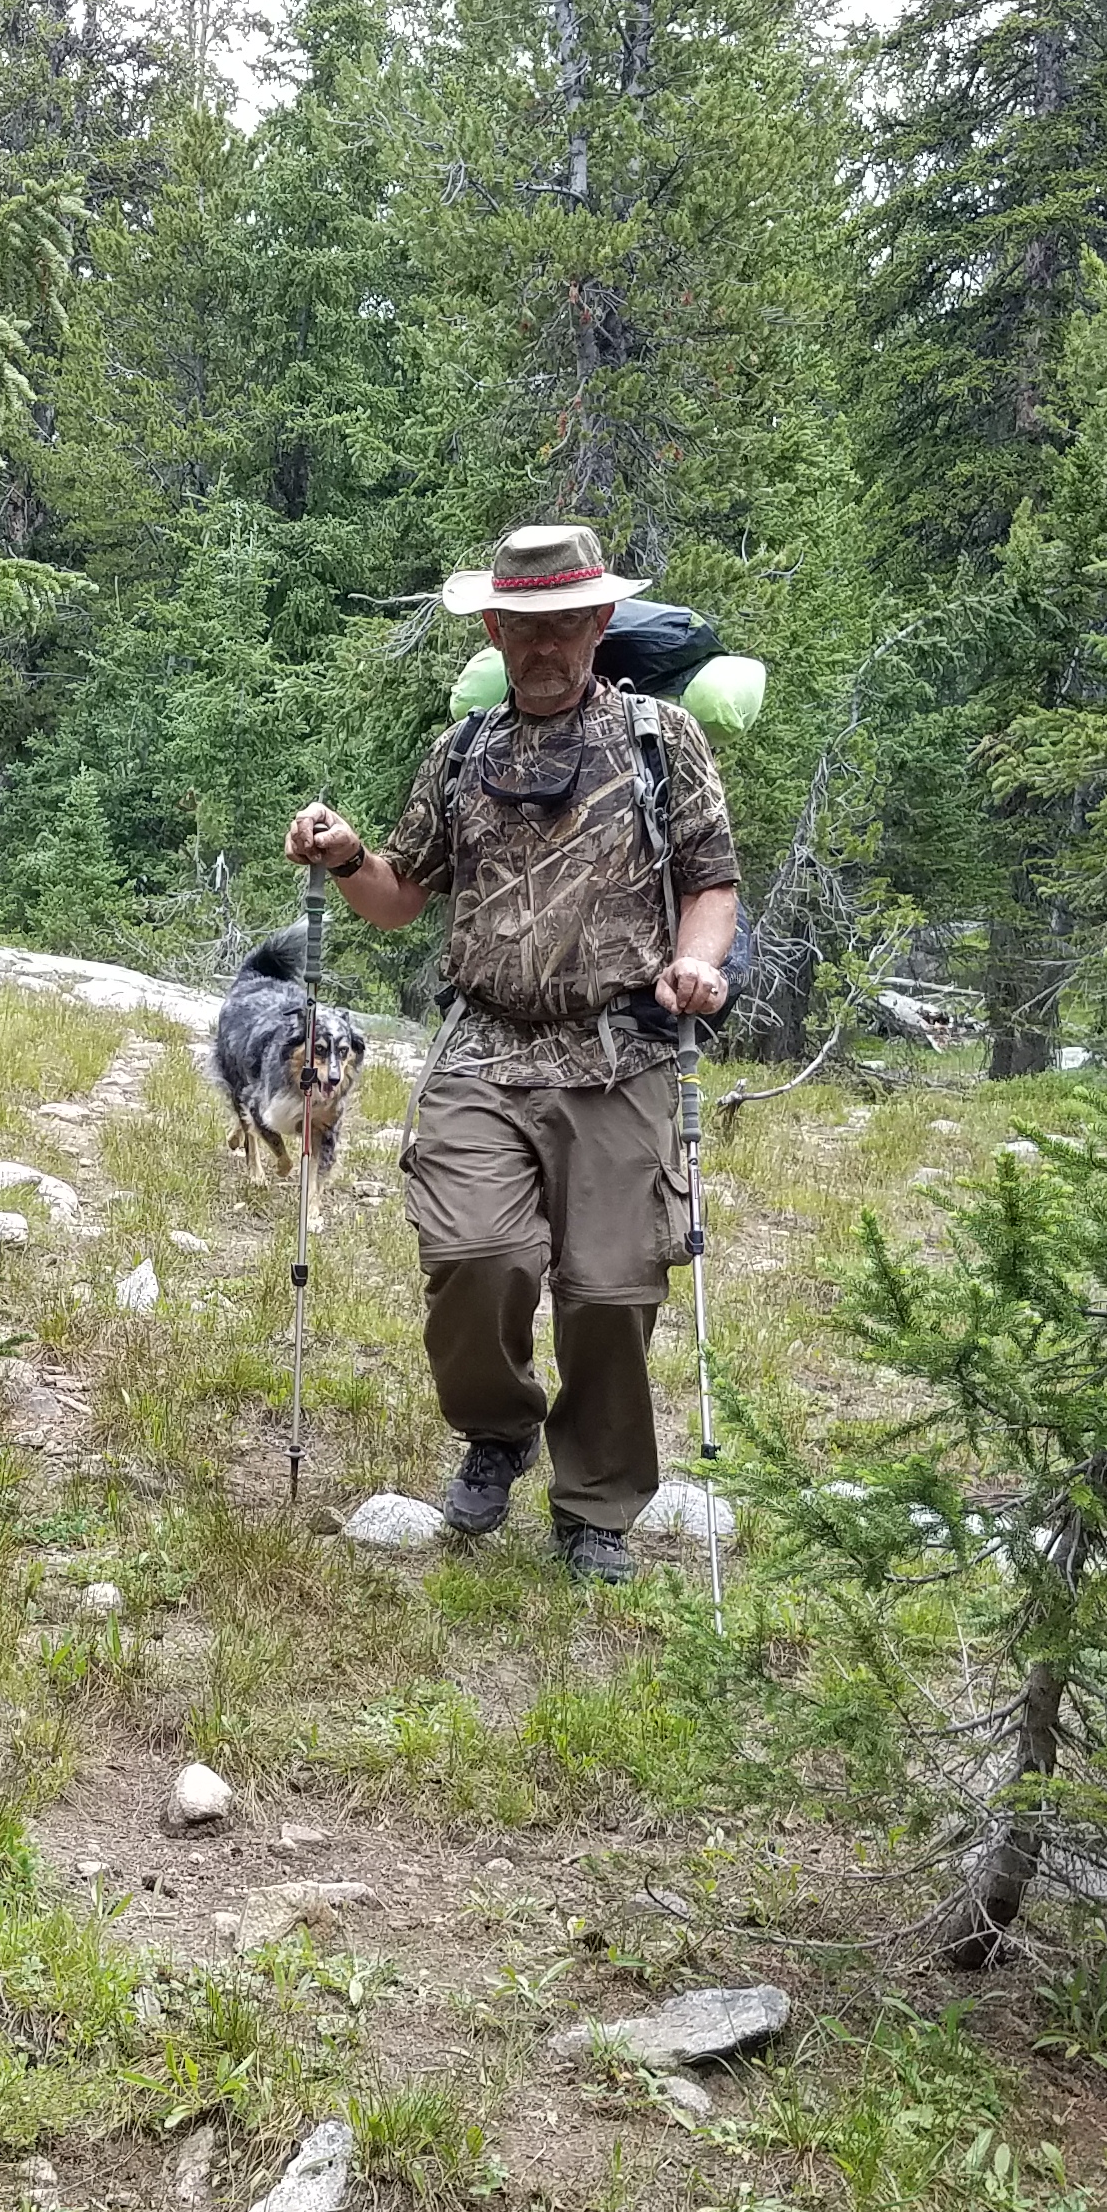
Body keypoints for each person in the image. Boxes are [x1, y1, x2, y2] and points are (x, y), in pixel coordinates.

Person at [285, 523, 741, 1584]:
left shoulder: (660, 741)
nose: (549, 645)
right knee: (475, 1259)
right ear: (497, 628)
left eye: (569, 623)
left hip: (620, 1049)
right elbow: (400, 899)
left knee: (613, 1293)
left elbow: (709, 880)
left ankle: (596, 1509)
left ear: (600, 624)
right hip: (485, 1047)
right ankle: (498, 1431)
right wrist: (349, 854)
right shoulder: (461, 753)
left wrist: (697, 964)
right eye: (525, 626)